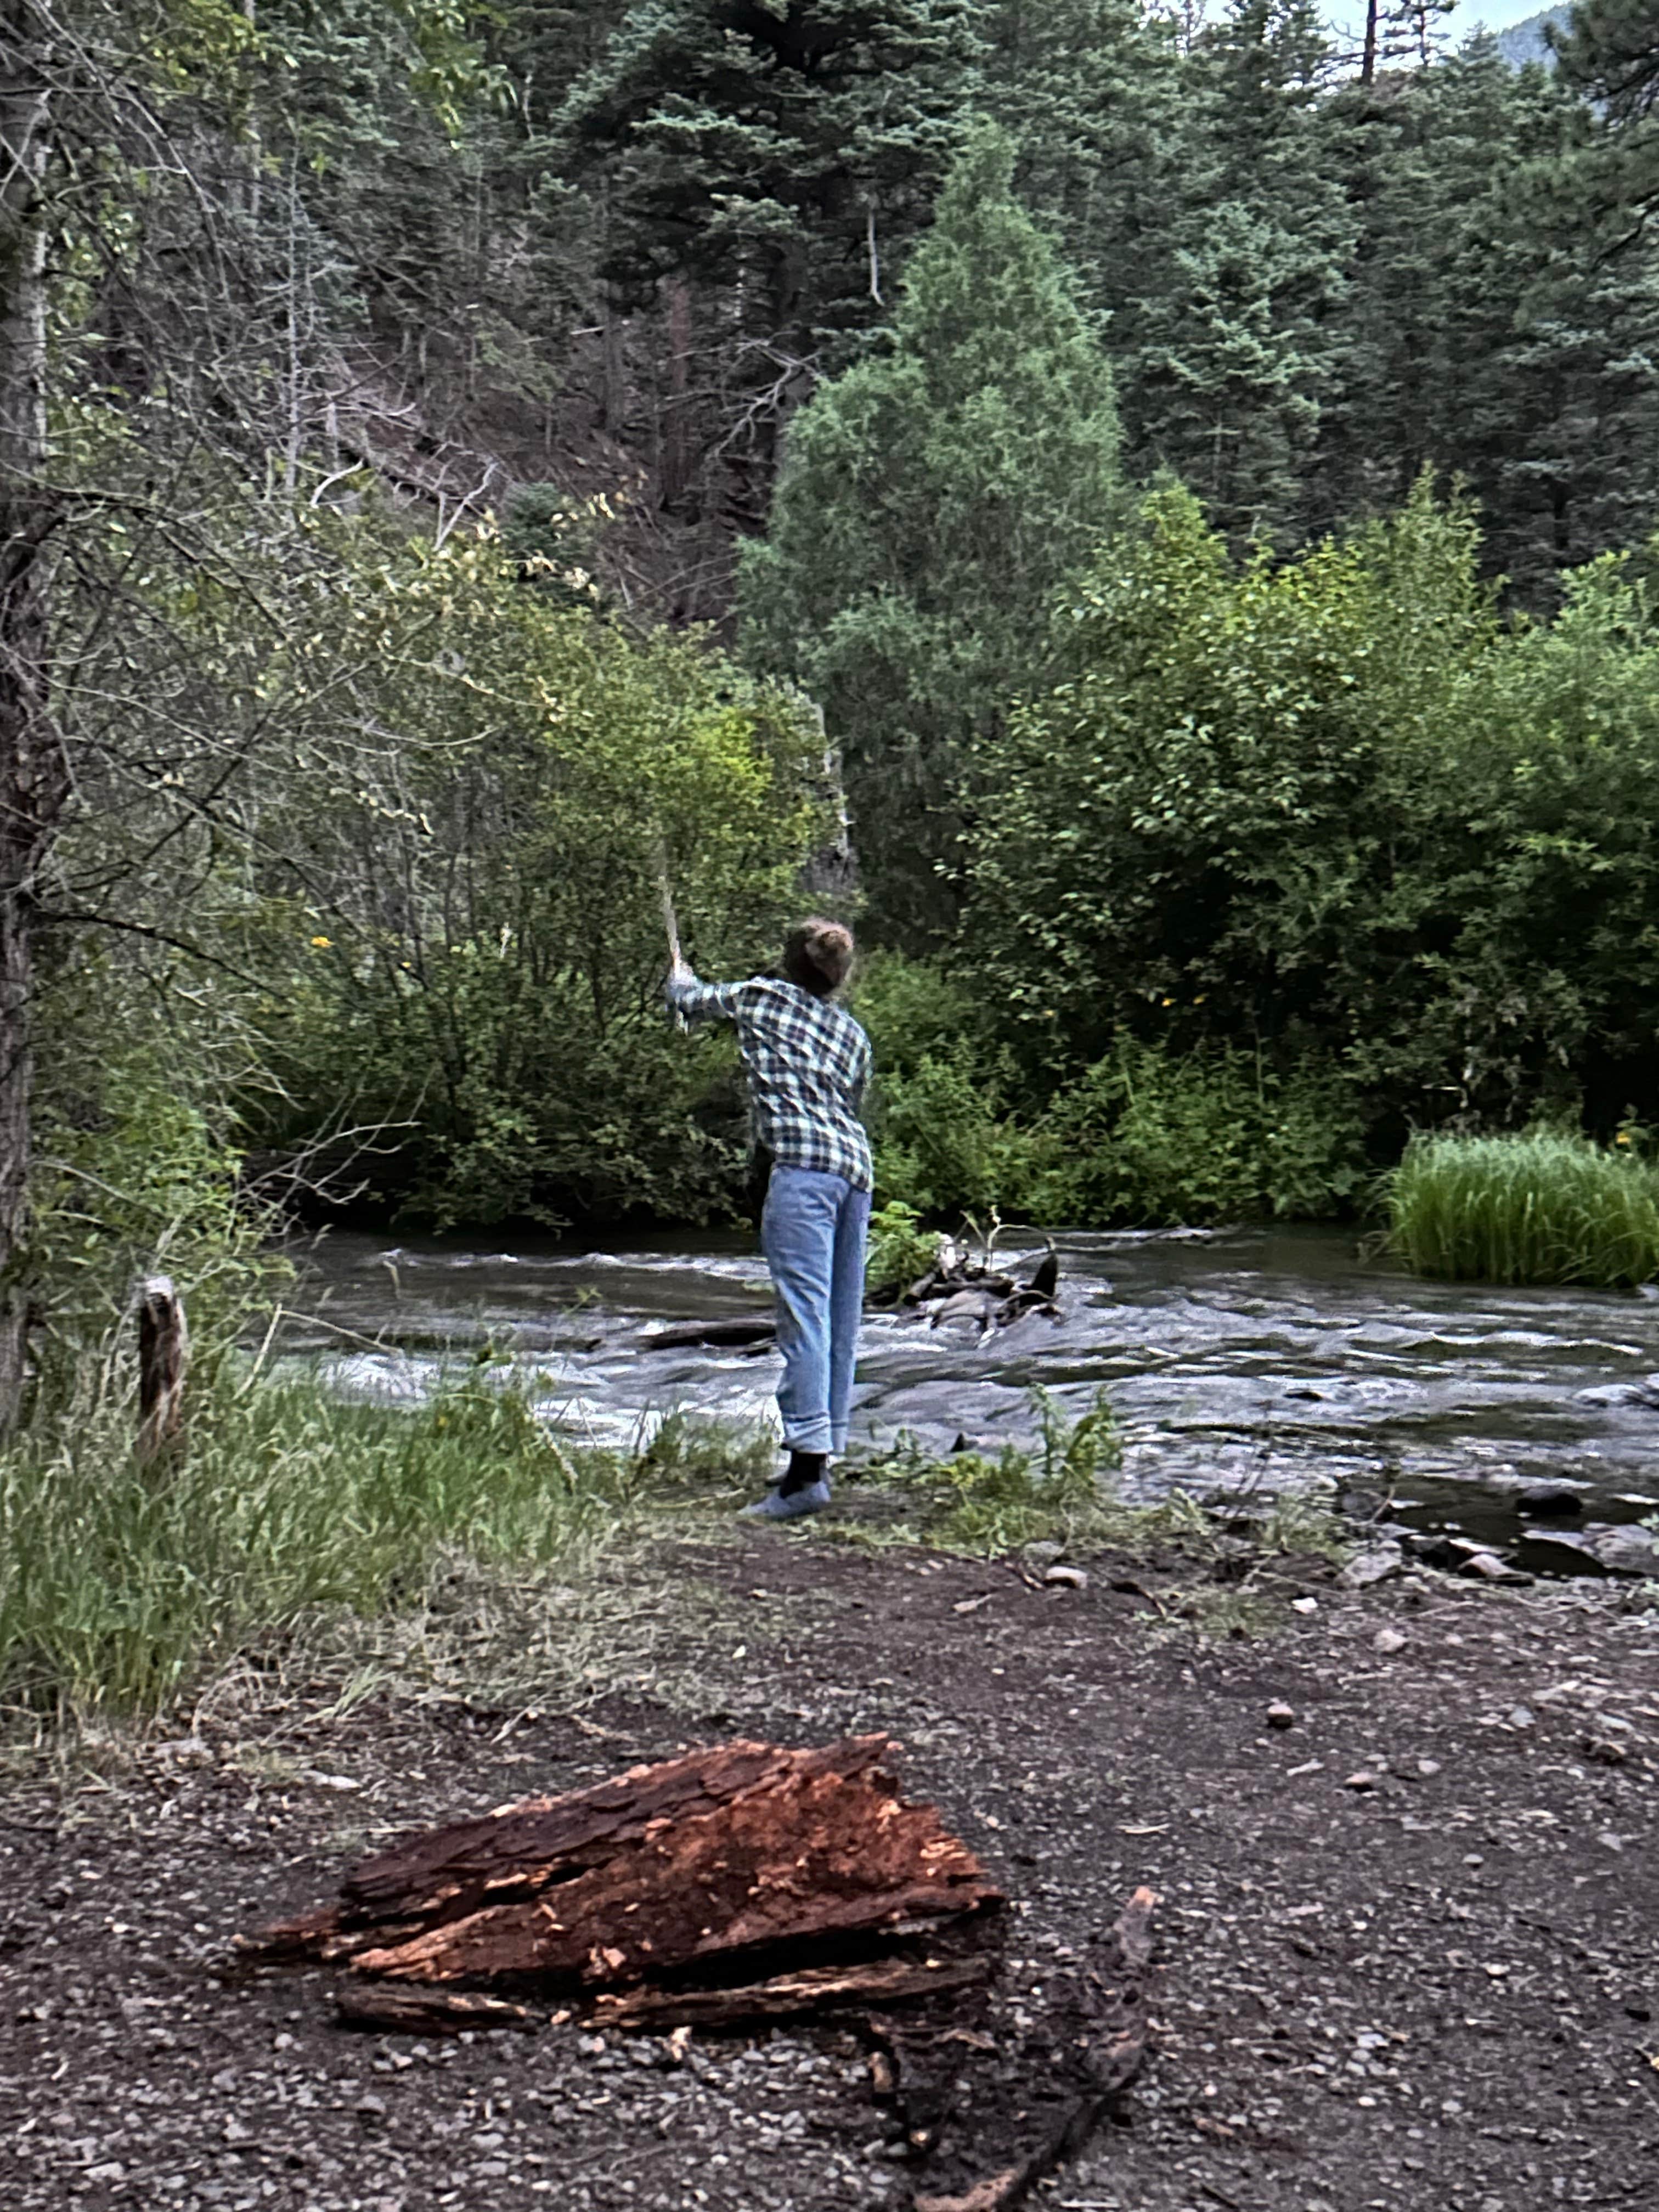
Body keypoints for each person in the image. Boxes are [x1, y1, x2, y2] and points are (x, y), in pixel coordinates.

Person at [666, 918, 873, 1521]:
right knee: (838, 1321)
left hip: (803, 1173)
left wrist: (678, 979)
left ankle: (805, 1477)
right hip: (854, 1172)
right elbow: (849, 1103)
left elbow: (693, 1002)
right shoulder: (853, 1033)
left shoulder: (764, 997)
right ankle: (820, 1457)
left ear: (789, 964)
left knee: (804, 1317)